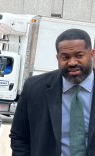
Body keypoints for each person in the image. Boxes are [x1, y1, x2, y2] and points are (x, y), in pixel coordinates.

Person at [10, 28, 95, 156]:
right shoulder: (34, 88)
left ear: (92, 54)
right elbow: (19, 136)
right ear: (57, 58)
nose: (72, 62)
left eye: (79, 55)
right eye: (65, 57)